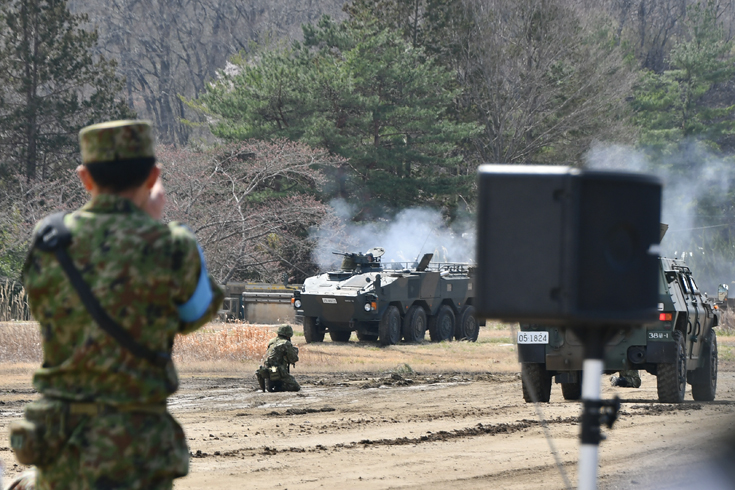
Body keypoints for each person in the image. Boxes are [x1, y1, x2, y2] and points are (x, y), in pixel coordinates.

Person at [8, 120, 223, 490]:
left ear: (85, 177)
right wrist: (150, 226)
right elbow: (196, 314)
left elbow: (44, 305)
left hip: (60, 438)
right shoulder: (173, 246)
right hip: (138, 447)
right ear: (153, 176)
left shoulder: (50, 242)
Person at [256, 325, 300, 392]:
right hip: (279, 371)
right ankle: (279, 386)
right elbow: (293, 359)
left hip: (268, 371)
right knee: (296, 387)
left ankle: (274, 384)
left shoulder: (271, 341)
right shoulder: (286, 343)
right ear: (288, 335)